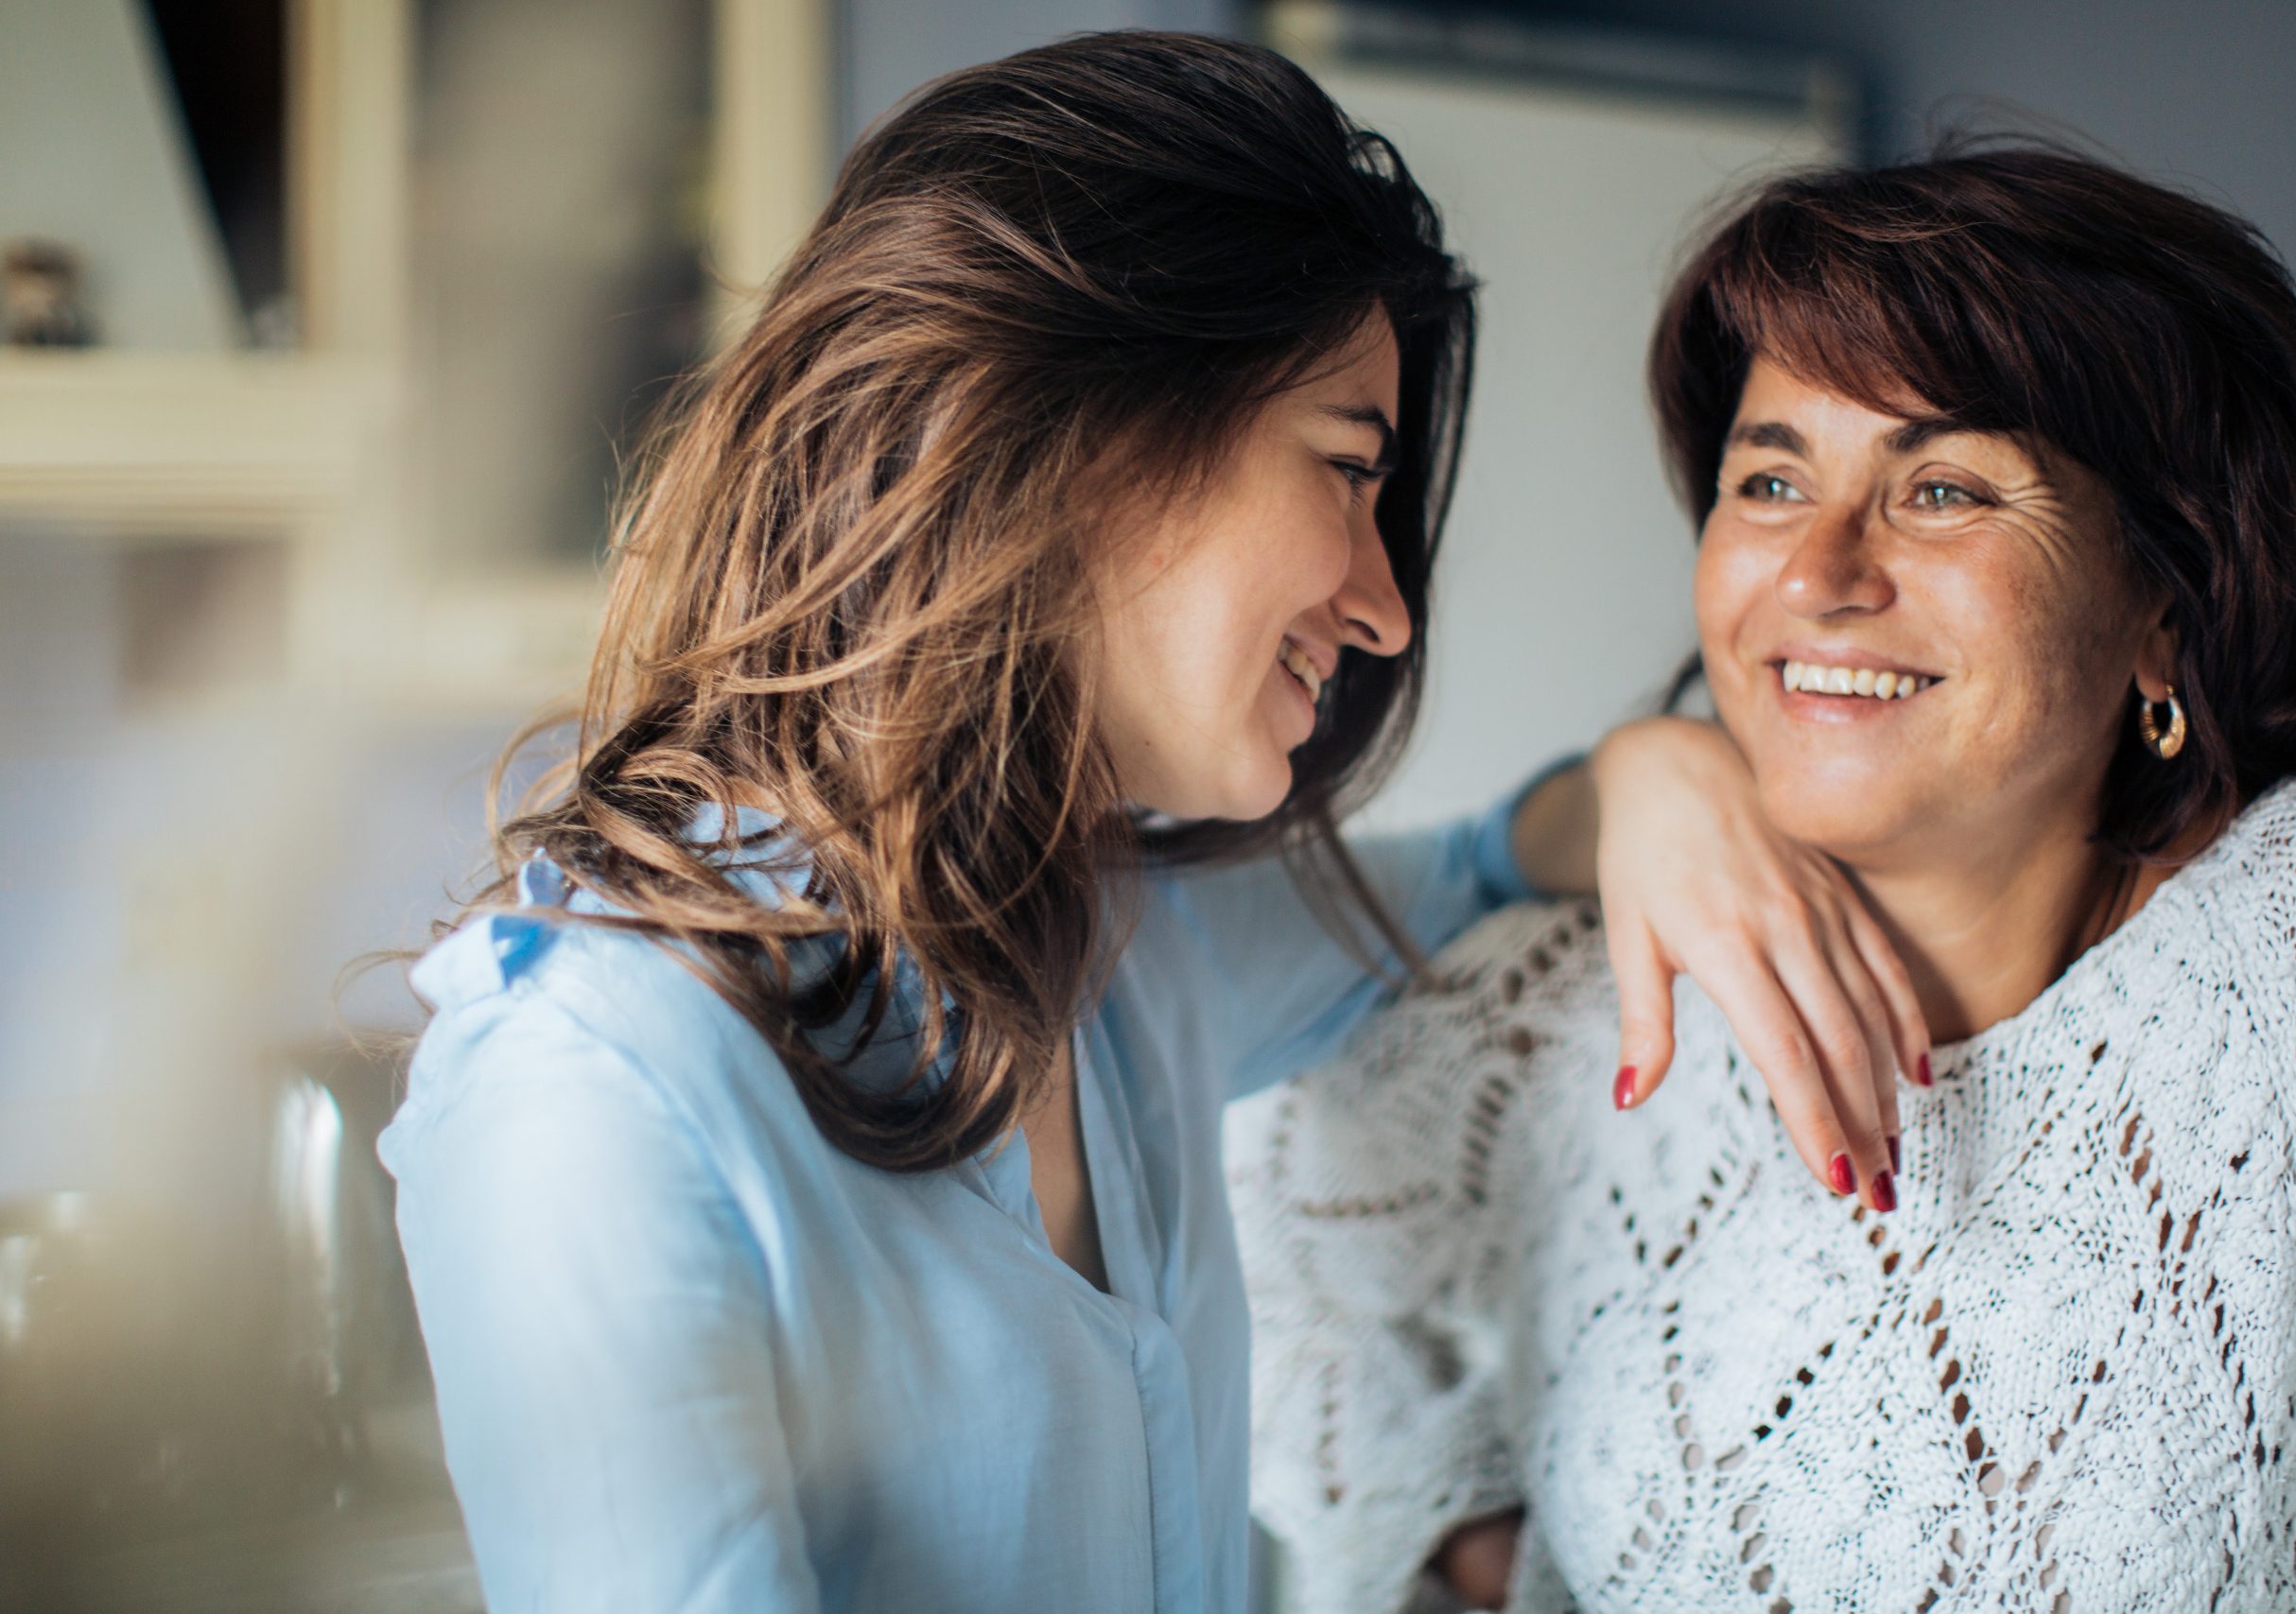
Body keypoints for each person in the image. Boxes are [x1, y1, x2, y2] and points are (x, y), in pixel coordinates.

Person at [378, 34, 1926, 1614]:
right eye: (1344, 470)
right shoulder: (599, 1085)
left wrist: (1663, 770)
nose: (1386, 611)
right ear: (1079, 437)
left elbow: (1468, 874)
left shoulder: (1113, 943)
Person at [1235, 141, 2296, 1613]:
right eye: (1772, 476)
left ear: (2165, 612)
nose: (1820, 569)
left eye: (1942, 490)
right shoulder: (1571, 1012)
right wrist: (1480, 1557)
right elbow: (1280, 1273)